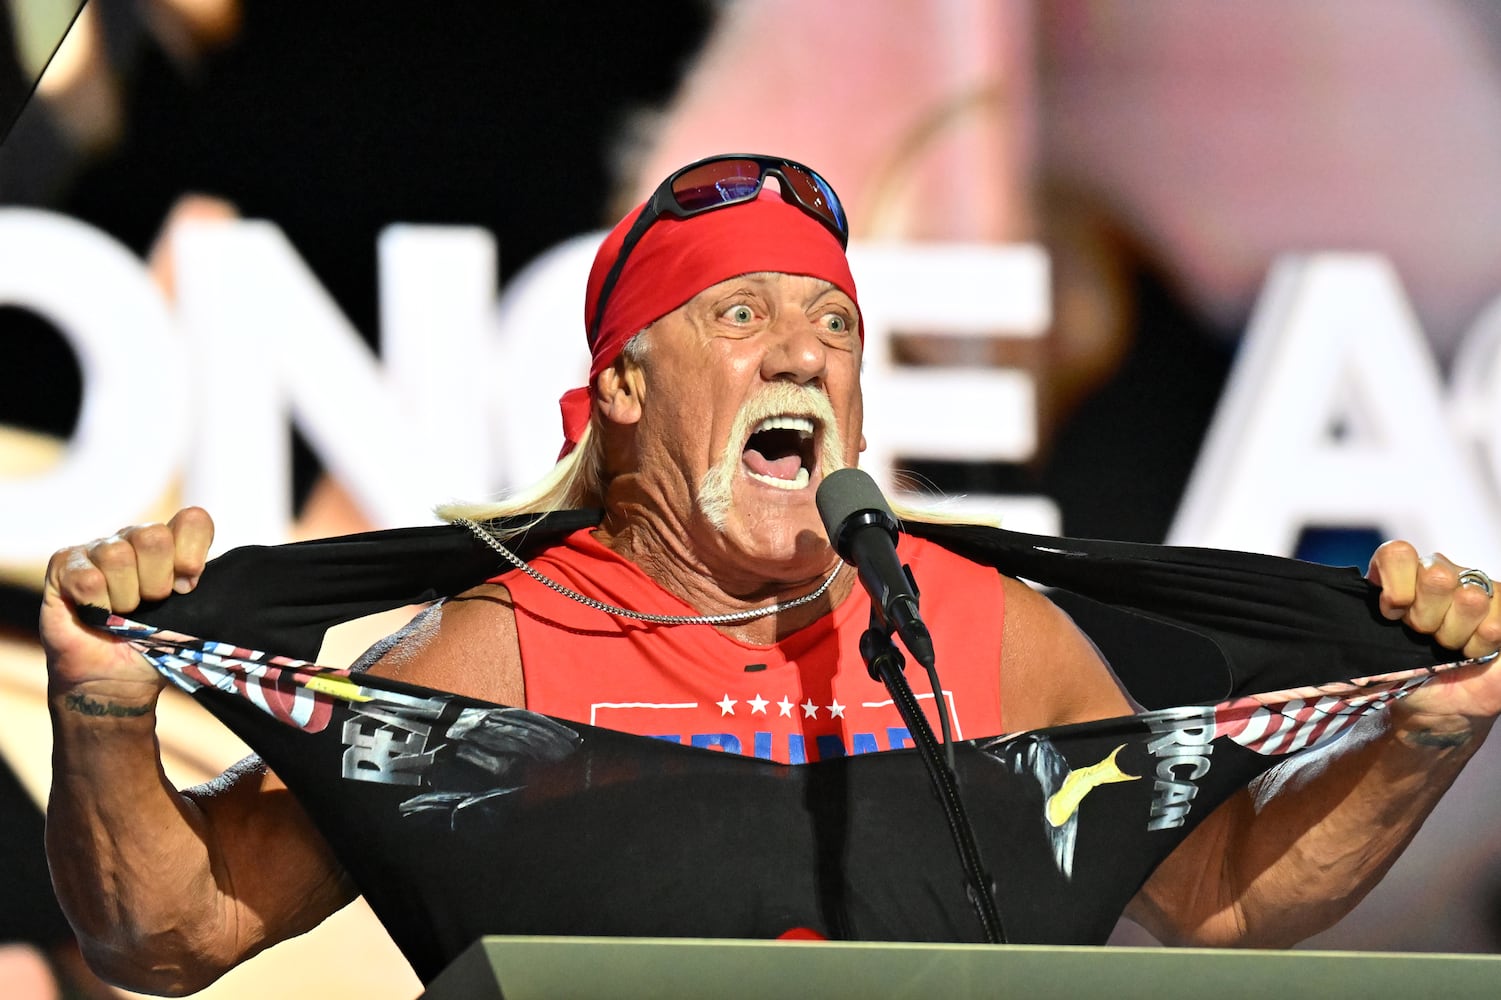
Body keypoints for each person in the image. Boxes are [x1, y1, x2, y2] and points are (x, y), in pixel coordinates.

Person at [39, 154, 1501, 995]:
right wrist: (105, 708)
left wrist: (1419, 739)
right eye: (737, 313)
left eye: (832, 327)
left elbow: (1218, 904)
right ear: (620, 391)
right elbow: (174, 936)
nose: (801, 351)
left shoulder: (978, 635)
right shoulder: (499, 654)